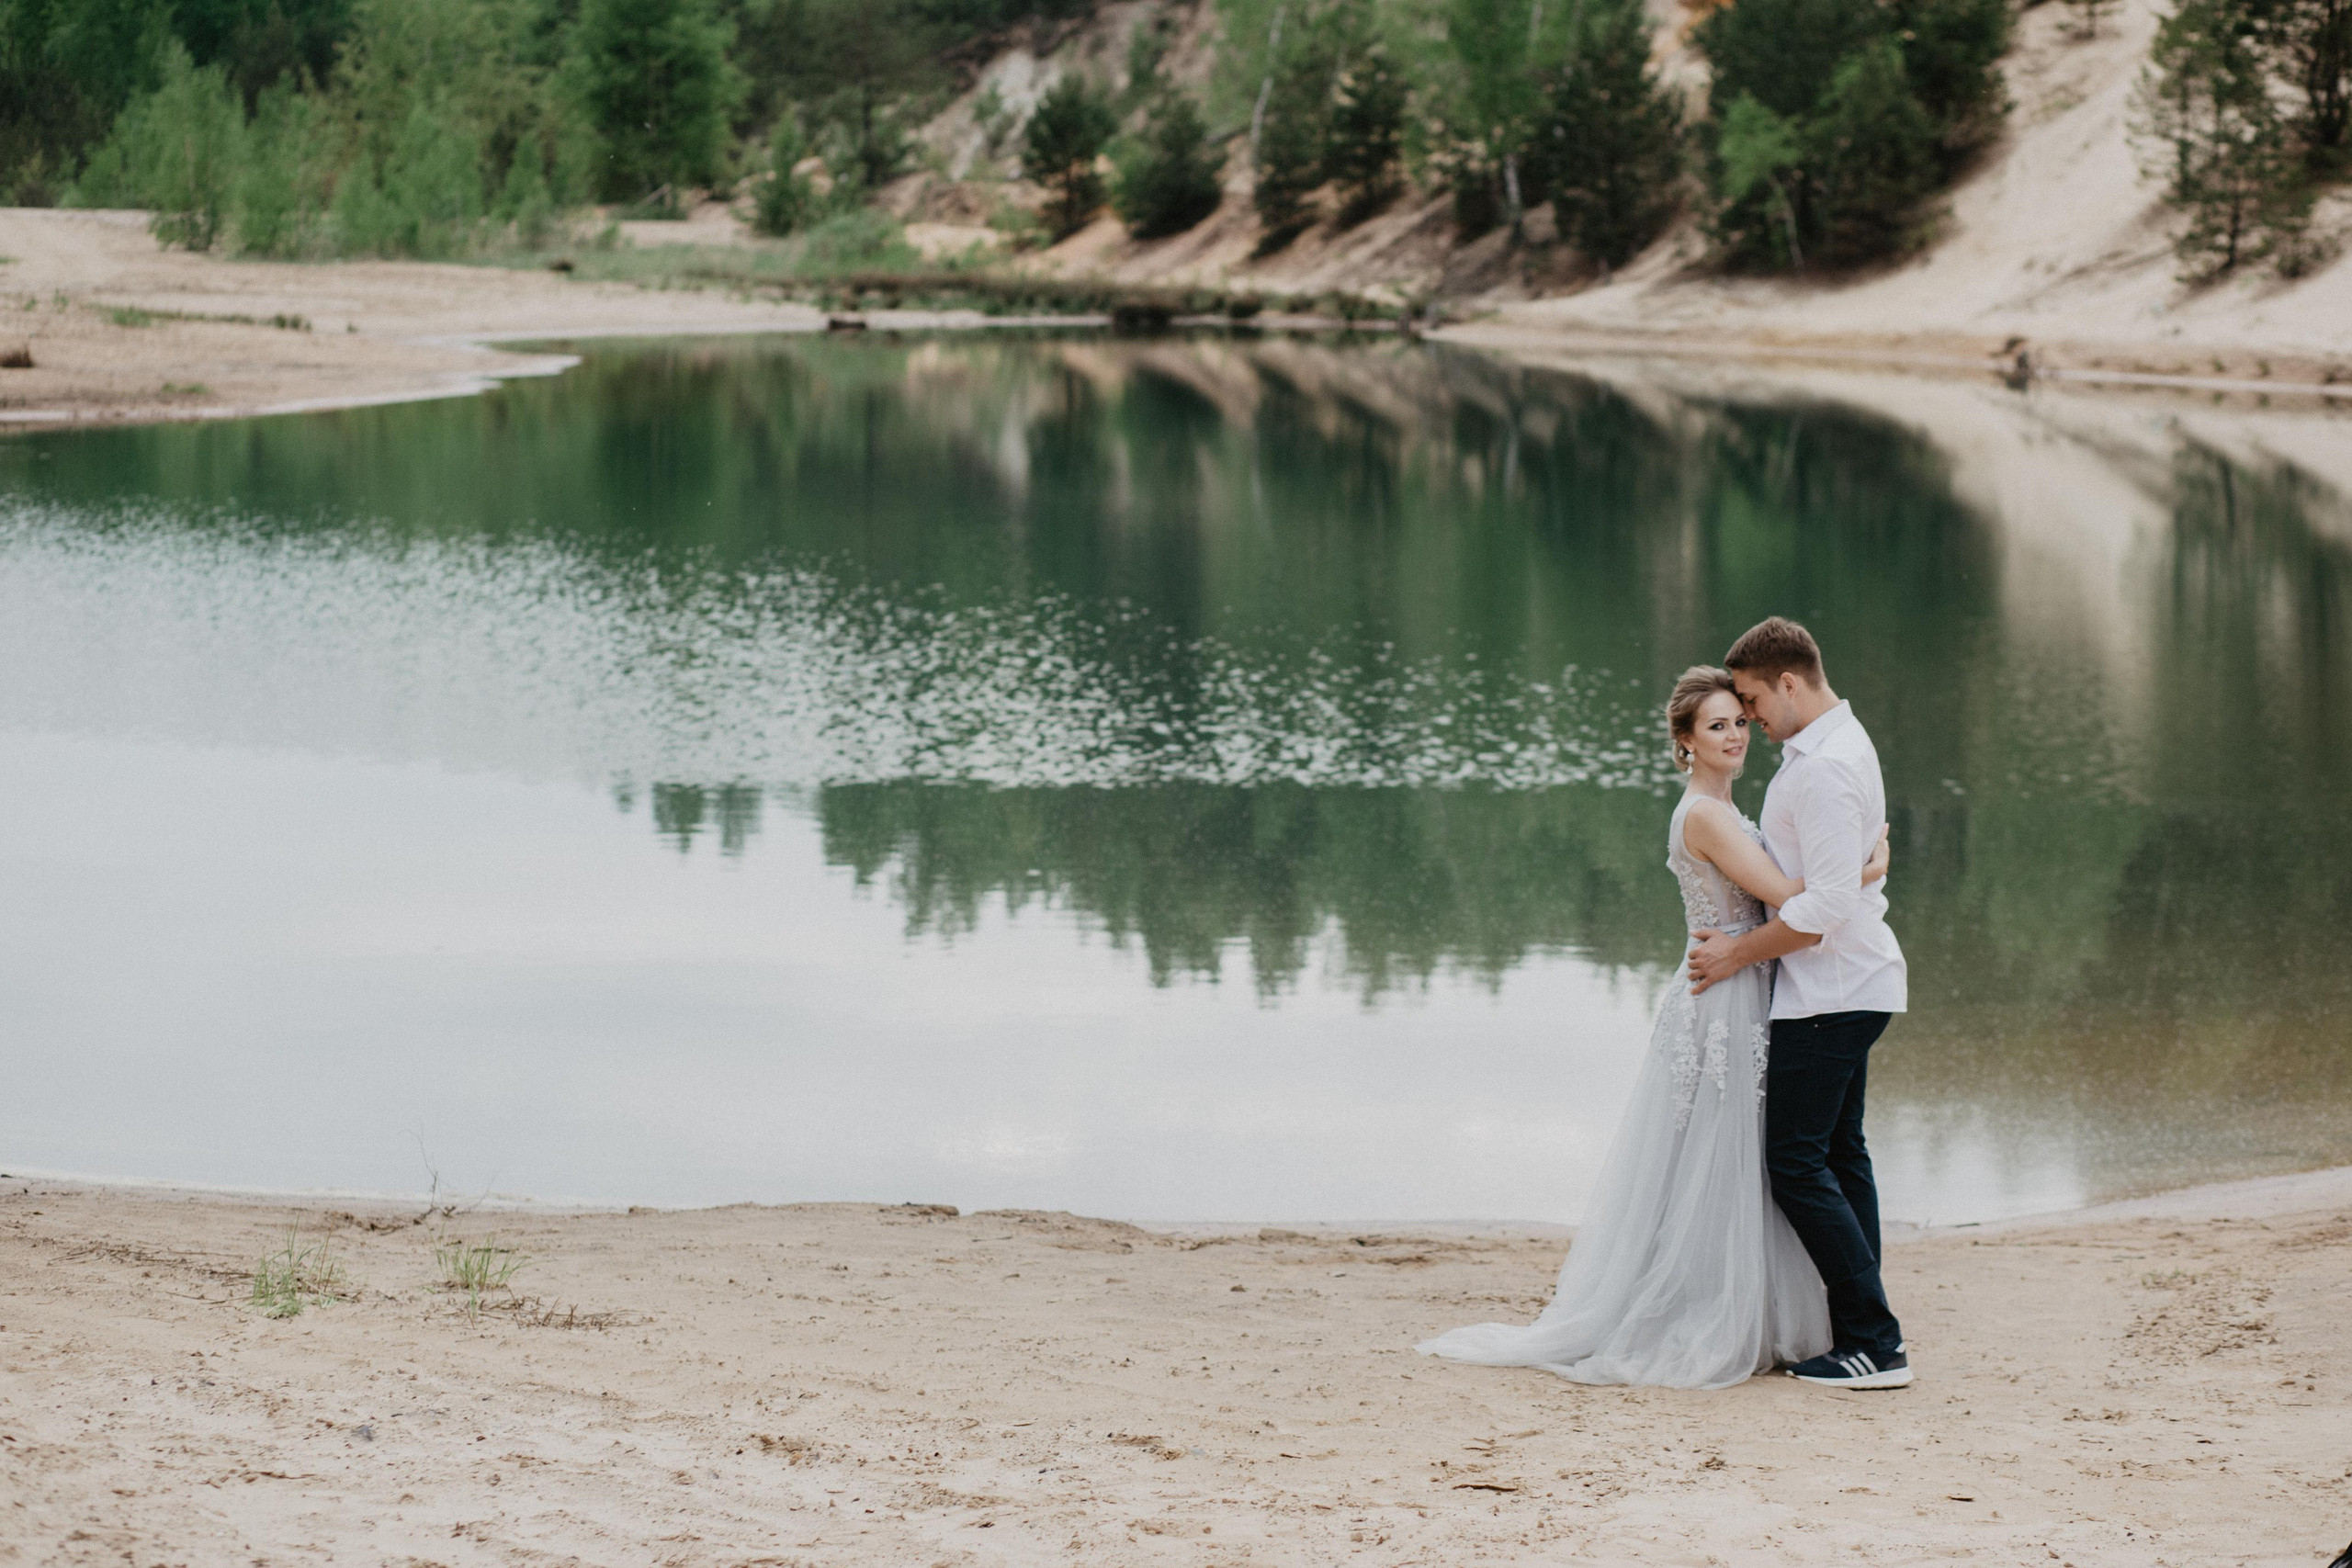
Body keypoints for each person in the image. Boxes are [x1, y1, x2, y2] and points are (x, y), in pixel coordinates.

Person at [1415, 665, 1887, 1389]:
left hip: (1749, 984)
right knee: (1719, 1156)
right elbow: (1792, 895)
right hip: (1724, 997)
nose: (1735, 736)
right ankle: (1714, 1307)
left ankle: (1782, 1310)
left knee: (1754, 1159)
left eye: (1738, 720)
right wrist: (1864, 866)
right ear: (1685, 742)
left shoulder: (1726, 808)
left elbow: (1784, 897)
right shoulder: (1703, 813)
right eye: (1717, 726)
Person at [1688, 616, 1911, 1389]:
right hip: (1853, 983)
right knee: (1839, 1153)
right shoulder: (1838, 746)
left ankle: (1874, 1341)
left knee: (1795, 1158)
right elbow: (1842, 879)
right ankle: (1858, 1329)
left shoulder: (1822, 767)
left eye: (1750, 700)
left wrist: (1733, 954)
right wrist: (1868, 867)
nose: (1747, 717)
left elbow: (1822, 911)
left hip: (1831, 989)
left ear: (1789, 681)